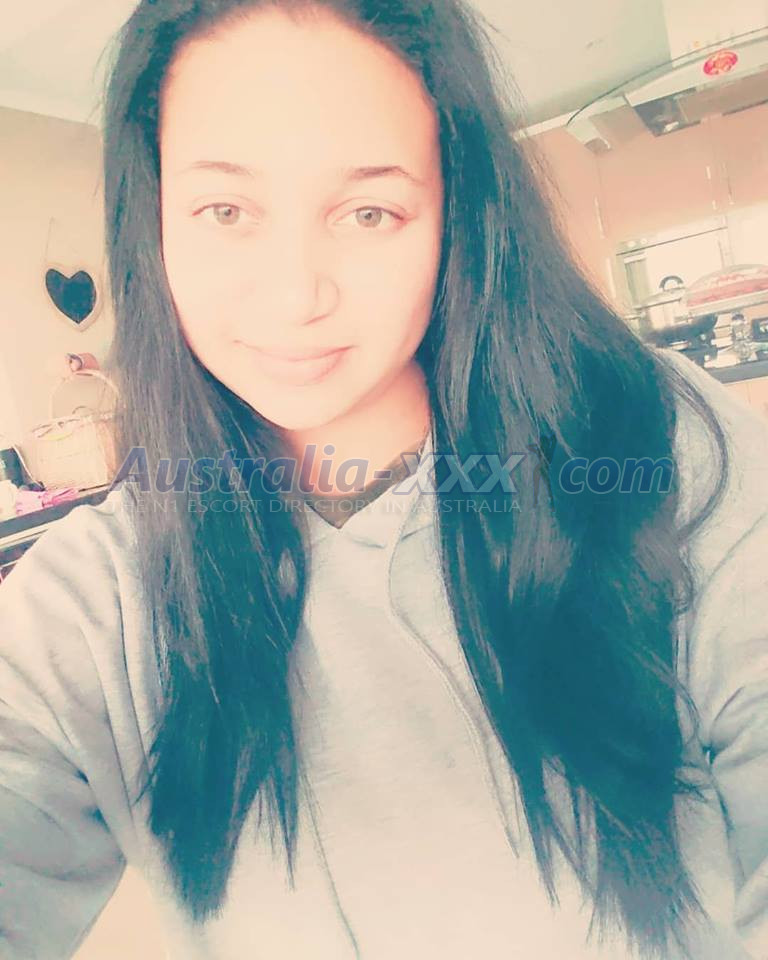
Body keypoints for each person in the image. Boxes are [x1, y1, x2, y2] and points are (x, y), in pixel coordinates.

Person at [1, 1, 767, 958]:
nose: (296, 294)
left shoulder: (657, 445)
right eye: (226, 211)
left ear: (456, 218)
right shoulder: (96, 598)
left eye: (369, 212)